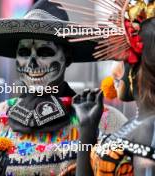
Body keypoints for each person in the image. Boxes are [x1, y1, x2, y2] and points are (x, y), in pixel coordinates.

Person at [0, 0, 127, 175]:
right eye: (23, 53)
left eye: (45, 52)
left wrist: (87, 133)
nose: (32, 63)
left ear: (67, 57)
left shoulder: (106, 120)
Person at [72, 1, 155, 175]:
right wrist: (87, 128)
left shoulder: (150, 129)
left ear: (136, 66)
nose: (112, 72)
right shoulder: (139, 123)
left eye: (118, 58)